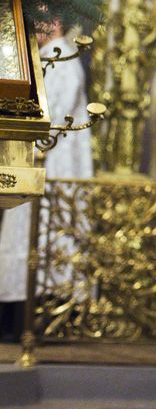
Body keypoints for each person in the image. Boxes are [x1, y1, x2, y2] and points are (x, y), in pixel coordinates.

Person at [0, 20, 93, 338]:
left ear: (55, 22)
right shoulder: (47, 57)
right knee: (25, 239)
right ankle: (19, 318)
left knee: (47, 241)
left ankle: (39, 321)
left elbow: (47, 119)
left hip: (52, 170)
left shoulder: (61, 58)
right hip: (39, 166)